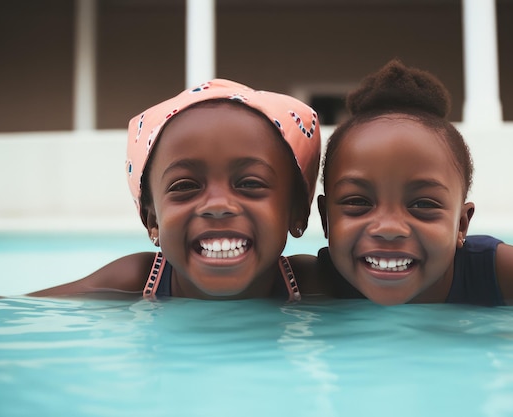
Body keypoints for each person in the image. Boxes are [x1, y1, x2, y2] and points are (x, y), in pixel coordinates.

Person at [316, 59, 513, 306]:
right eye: (358, 202)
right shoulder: (307, 282)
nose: (389, 228)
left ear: (462, 224)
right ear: (325, 219)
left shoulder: (495, 273)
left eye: (423, 204)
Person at [30, 79, 321, 301]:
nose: (217, 205)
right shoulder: (133, 281)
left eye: (249, 184)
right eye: (185, 186)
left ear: (297, 212)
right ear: (151, 219)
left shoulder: (315, 285)